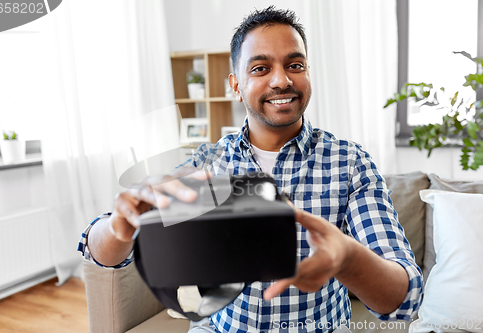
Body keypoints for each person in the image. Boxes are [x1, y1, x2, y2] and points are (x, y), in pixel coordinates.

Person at [78, 6, 423, 333]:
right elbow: (100, 254)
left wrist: (349, 258)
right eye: (260, 68)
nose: (281, 80)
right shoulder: (208, 165)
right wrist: (119, 227)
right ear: (235, 85)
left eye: (295, 65)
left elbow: (403, 298)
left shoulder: (349, 164)